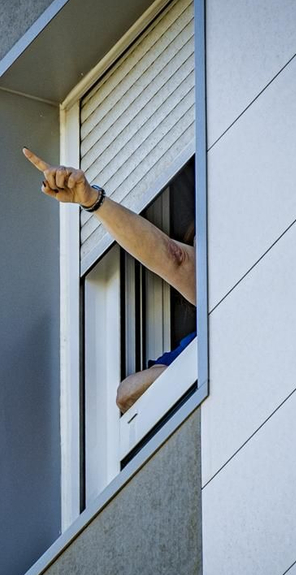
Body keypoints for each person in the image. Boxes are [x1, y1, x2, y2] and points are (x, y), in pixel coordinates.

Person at [23, 147, 197, 414]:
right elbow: (127, 396)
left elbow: (177, 260)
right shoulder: (200, 339)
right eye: (195, 247)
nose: (195, 259)